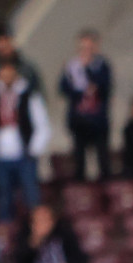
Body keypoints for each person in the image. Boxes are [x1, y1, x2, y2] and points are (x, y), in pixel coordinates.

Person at [0, 60, 48, 224]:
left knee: (31, 195)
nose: (7, 78)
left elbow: (41, 123)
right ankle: (6, 232)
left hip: (24, 153)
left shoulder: (29, 95)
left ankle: (37, 227)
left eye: (10, 74)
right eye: (3, 75)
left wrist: (34, 149)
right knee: (3, 196)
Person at [57, 30, 113, 182]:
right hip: (79, 120)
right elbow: (63, 89)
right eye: (82, 48)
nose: (85, 51)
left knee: (103, 159)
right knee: (79, 161)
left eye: (89, 47)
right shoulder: (71, 67)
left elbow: (104, 87)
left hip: (98, 120)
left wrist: (87, 70)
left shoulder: (102, 65)